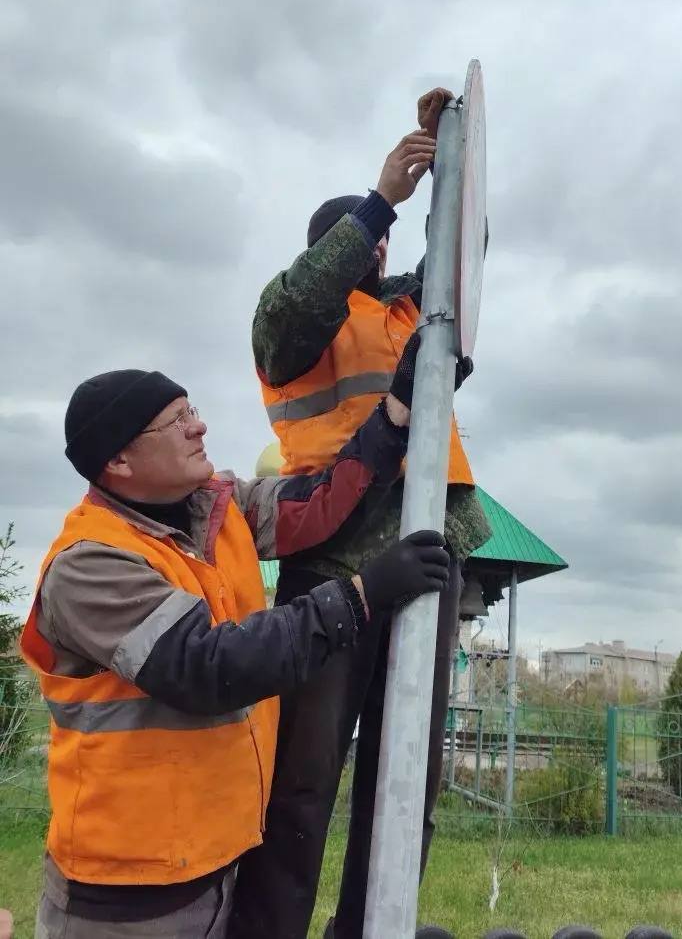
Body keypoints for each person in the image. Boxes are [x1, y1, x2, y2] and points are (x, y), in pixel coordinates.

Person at [21, 366, 448, 939]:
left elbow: (319, 502)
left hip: (221, 863)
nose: (200, 427)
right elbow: (207, 666)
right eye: (176, 421)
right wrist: (361, 596)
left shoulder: (217, 510)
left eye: (191, 410)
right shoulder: (89, 563)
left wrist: (396, 409)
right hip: (127, 895)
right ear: (119, 461)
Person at [230, 89, 491, 938]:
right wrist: (381, 196)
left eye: (380, 241)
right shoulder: (293, 319)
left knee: (405, 777)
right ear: (330, 249)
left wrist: (453, 153)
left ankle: (371, 927)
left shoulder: (413, 311)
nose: (379, 249)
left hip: (427, 552)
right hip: (333, 561)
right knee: (302, 783)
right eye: (361, 239)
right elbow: (299, 302)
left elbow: (465, 259)